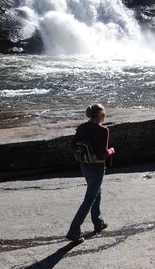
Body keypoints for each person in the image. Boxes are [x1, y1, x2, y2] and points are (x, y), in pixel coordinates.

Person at [66, 103, 115, 243]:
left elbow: (73, 144)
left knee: (96, 194)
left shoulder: (82, 127)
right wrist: (112, 150)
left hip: (84, 165)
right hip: (97, 167)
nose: (105, 115)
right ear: (100, 115)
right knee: (89, 199)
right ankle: (74, 230)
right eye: (104, 113)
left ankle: (98, 223)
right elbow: (103, 153)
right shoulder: (103, 130)